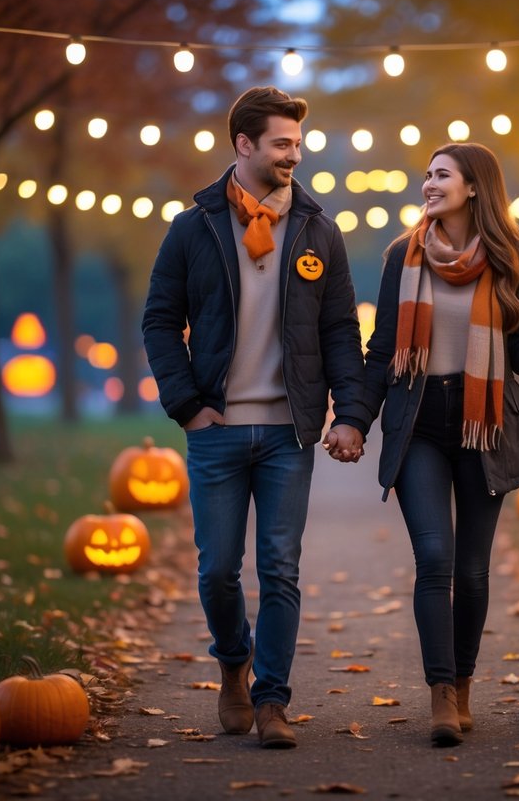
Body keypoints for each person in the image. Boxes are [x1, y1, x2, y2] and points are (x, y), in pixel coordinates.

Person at [142, 85, 368, 749]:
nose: (293, 155)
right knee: (216, 571)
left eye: (297, 143)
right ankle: (231, 661)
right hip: (215, 429)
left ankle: (271, 701)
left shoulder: (318, 230)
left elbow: (339, 331)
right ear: (244, 145)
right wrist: (187, 405)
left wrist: (349, 413)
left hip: (285, 434)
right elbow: (160, 320)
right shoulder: (194, 228)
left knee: (279, 567)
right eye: (281, 143)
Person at [358, 142, 519, 746]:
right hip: (420, 424)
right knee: (434, 558)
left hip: (486, 428)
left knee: (474, 571)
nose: (428, 184)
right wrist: (354, 419)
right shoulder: (401, 258)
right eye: (427, 175)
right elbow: (382, 351)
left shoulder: (517, 259)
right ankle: (438, 697)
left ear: (475, 186)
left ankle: (461, 685)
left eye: (441, 176)